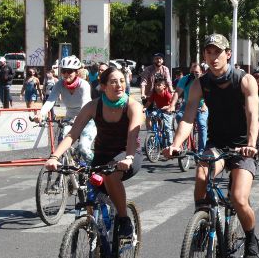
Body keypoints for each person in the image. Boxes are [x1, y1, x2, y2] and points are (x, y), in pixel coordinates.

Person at [164, 33, 259, 258]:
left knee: (239, 198)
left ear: (228, 53)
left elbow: (252, 115)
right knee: (200, 178)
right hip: (217, 144)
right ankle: (203, 224)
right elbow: (188, 117)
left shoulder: (244, 80)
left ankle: (251, 240)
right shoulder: (200, 83)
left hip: (241, 147)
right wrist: (176, 143)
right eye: (209, 52)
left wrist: (250, 142)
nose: (213, 56)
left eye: (218, 52)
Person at [44, 66, 143, 243]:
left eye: (121, 81)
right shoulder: (93, 106)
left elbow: (132, 136)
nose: (119, 85)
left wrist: (128, 158)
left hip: (127, 153)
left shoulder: (133, 106)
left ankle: (124, 219)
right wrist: (54, 157)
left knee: (111, 177)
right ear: (103, 86)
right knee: (91, 196)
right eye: (113, 82)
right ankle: (95, 247)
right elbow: (72, 134)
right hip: (102, 154)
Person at [33, 56, 96, 163]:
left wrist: (79, 117)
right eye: (63, 71)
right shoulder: (60, 84)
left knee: (83, 148)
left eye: (70, 71)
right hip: (70, 120)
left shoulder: (84, 85)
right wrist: (41, 114)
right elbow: (50, 100)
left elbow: (85, 104)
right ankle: (65, 174)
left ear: (76, 72)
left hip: (87, 119)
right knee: (62, 144)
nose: (66, 74)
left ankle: (95, 172)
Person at [169, 62, 208, 152]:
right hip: (188, 104)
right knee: (178, 116)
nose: (194, 74)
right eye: (193, 72)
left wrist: (204, 105)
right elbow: (177, 92)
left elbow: (209, 95)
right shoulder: (185, 79)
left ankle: (202, 150)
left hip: (202, 104)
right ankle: (185, 138)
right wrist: (172, 105)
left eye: (197, 72)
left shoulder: (205, 80)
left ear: (202, 72)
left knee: (201, 123)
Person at [144, 76, 175, 145]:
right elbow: (148, 103)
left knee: (167, 128)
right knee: (150, 115)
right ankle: (152, 132)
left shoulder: (167, 95)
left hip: (168, 112)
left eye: (159, 85)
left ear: (164, 86)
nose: (157, 87)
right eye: (155, 85)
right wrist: (144, 108)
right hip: (159, 110)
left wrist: (167, 107)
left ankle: (171, 144)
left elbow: (173, 105)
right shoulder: (154, 94)